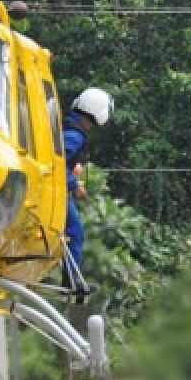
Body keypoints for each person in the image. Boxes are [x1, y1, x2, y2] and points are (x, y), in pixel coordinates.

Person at [63, 87, 113, 294]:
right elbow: (56, 162)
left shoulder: (70, 127)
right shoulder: (75, 135)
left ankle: (70, 278)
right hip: (55, 191)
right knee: (75, 232)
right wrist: (74, 186)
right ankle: (72, 281)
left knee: (72, 233)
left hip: (57, 187)